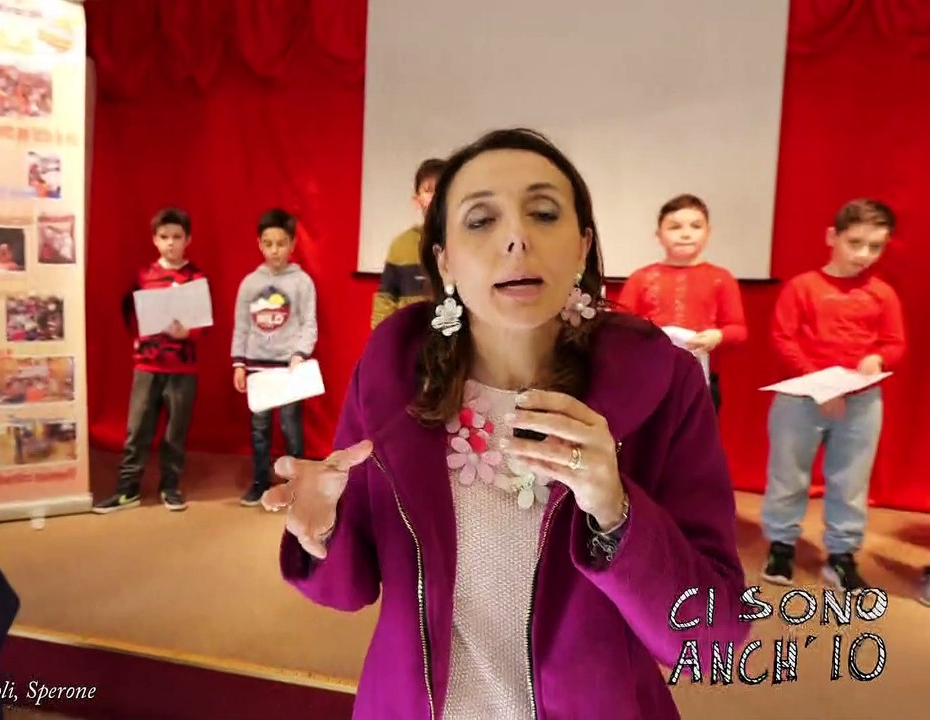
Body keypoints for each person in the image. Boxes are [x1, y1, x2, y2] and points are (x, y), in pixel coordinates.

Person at [262, 128, 747, 719]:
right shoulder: (392, 378)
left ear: (581, 245)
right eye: (480, 221)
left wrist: (616, 513)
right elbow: (349, 587)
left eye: (544, 213)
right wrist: (322, 531)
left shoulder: (660, 384)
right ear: (443, 259)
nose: (516, 238)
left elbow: (712, 639)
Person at [760, 199, 905, 592]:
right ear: (832, 237)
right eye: (855, 242)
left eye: (875, 247)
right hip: (802, 397)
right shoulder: (803, 287)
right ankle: (781, 546)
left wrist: (878, 357)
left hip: (860, 402)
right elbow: (783, 338)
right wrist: (819, 384)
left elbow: (894, 343)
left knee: (851, 479)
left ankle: (842, 555)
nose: (863, 255)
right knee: (788, 475)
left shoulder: (883, 294)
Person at [94, 208, 207, 514]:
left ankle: (170, 486)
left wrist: (188, 333)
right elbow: (128, 311)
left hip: (182, 369)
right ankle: (127, 489)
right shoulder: (143, 276)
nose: (171, 243)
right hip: (147, 365)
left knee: (175, 433)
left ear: (188, 239)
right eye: (164, 237)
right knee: (137, 429)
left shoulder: (196, 277)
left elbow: (201, 323)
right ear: (154, 240)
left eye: (177, 237)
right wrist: (136, 336)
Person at [618, 194, 747, 411]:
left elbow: (739, 330)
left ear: (708, 232)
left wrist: (718, 335)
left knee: (697, 441)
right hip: (650, 376)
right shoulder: (641, 278)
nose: (686, 234)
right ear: (659, 235)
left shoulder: (721, 278)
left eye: (696, 226)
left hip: (701, 378)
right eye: (675, 227)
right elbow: (620, 326)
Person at [232, 209, 318, 507]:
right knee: (259, 428)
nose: (274, 250)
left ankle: (296, 485)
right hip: (257, 367)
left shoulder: (302, 282)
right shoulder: (250, 283)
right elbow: (241, 325)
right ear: (259, 244)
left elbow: (309, 322)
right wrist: (239, 363)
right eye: (268, 244)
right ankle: (259, 481)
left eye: (281, 243)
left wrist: (299, 354)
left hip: (289, 368)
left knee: (291, 427)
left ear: (292, 244)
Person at [371, 158, 446, 328]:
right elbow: (385, 299)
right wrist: (382, 339)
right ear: (417, 200)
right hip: (408, 338)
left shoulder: (463, 244)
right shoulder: (401, 245)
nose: (434, 196)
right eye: (428, 190)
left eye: (441, 190)